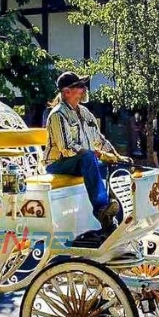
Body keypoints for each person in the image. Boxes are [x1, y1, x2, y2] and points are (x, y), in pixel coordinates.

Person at [45, 71, 126, 233]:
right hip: (58, 164)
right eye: (79, 86)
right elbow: (67, 149)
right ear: (67, 92)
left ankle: (119, 216)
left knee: (116, 165)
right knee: (89, 157)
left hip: (81, 160)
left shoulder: (85, 112)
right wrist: (93, 153)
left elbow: (99, 139)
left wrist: (116, 156)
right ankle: (101, 210)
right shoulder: (58, 115)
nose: (84, 89)